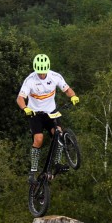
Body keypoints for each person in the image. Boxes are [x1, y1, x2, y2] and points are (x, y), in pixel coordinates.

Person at [16, 53, 79, 185]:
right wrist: (25, 108)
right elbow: (20, 98)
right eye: (39, 73)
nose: (42, 75)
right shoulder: (30, 80)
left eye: (44, 72)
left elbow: (67, 89)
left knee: (59, 134)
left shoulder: (55, 76)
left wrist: (73, 96)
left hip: (51, 112)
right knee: (38, 139)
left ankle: (57, 163)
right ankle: (33, 171)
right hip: (36, 114)